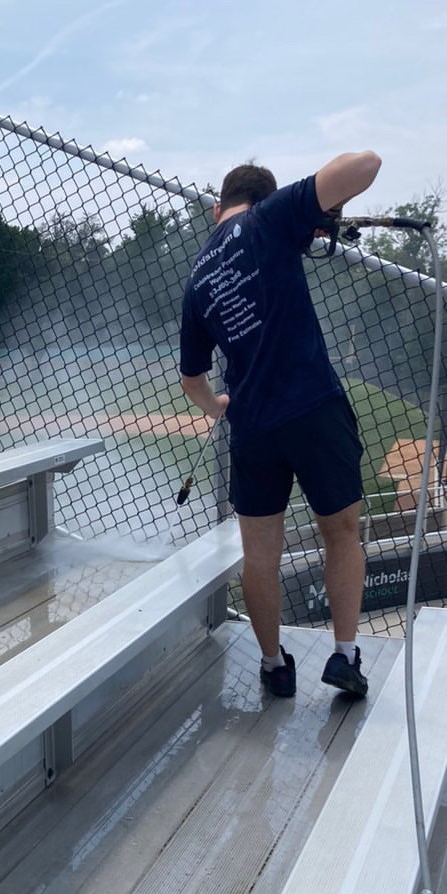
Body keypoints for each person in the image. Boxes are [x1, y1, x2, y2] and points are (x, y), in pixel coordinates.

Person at [179, 151, 382, 698]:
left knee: (260, 553)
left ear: (217, 206)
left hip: (251, 425)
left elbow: (192, 380)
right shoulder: (269, 217)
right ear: (262, 197)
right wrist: (323, 204)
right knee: (340, 533)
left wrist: (221, 406)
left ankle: (273, 665)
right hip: (312, 406)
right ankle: (344, 656)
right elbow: (367, 162)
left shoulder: (197, 277)